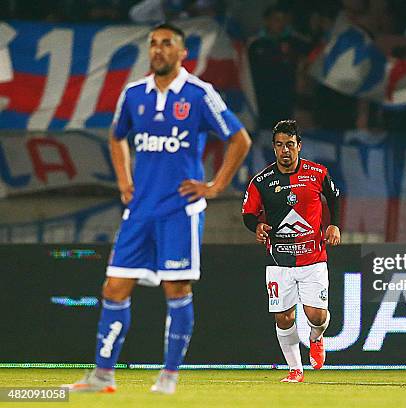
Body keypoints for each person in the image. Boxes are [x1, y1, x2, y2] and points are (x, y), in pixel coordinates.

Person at [64, 23, 252, 394]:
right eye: (153, 44)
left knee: (176, 288)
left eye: (167, 44)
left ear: (183, 53)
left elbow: (239, 139)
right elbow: (117, 137)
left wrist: (215, 185)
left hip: (179, 211)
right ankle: (103, 375)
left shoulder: (199, 94)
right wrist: (123, 181)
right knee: (114, 288)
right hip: (140, 211)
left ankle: (168, 376)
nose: (158, 50)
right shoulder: (134, 94)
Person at [241, 120, 341, 383]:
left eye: (290, 145)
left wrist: (334, 224)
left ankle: (316, 337)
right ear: (274, 148)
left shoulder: (317, 172)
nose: (285, 150)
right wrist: (258, 226)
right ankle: (295, 369)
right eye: (279, 145)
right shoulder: (262, 181)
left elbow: (334, 197)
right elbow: (248, 215)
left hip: (313, 258)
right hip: (279, 260)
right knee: (284, 317)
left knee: (316, 316)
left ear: (299, 145)